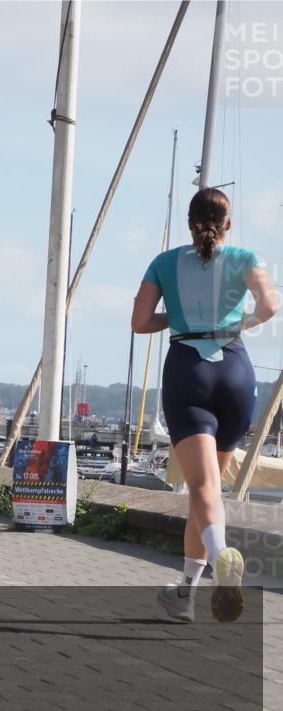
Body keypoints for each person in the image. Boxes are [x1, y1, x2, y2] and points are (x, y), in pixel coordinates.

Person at [132, 187, 278, 623]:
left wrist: (176, 319)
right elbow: (271, 304)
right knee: (211, 489)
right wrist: (240, 324)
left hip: (188, 370)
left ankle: (220, 557)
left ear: (189, 223)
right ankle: (184, 593)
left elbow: (140, 322)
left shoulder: (164, 262)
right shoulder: (245, 257)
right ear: (227, 224)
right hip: (235, 371)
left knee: (202, 488)